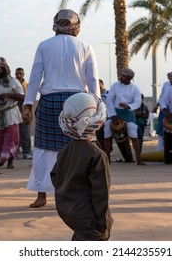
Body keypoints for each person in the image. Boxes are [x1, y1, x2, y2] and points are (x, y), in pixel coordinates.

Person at [22, 9, 100, 208]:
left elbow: (35, 77)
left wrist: (28, 104)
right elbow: (92, 81)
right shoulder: (85, 46)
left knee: (43, 148)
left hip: (49, 101)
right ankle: (72, 195)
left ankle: (42, 195)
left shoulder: (44, 45)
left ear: (55, 24)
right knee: (75, 150)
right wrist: (98, 107)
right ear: (77, 26)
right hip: (79, 104)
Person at [51, 92, 113, 241]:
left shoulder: (64, 151)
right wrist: (103, 225)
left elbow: (55, 177)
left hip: (69, 214)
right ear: (97, 123)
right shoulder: (96, 155)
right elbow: (101, 194)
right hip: (90, 222)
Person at [103, 67, 146, 165]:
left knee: (134, 133)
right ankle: (107, 159)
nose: (121, 77)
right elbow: (109, 100)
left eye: (123, 76)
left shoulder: (135, 88)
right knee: (107, 130)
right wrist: (113, 115)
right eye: (121, 75)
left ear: (129, 78)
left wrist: (128, 106)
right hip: (115, 112)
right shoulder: (115, 85)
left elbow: (138, 102)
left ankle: (138, 159)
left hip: (128, 112)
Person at [0, 57, 24, 169]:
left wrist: (8, 95)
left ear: (5, 69)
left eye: (1, 68)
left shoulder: (13, 82)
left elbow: (21, 97)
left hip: (11, 113)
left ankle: (9, 161)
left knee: (11, 138)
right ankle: (2, 156)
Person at [152, 71, 172, 151]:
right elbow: (162, 96)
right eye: (170, 77)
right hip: (164, 110)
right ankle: (160, 150)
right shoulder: (165, 84)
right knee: (161, 130)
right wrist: (156, 105)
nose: (171, 79)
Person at [15, 67, 32, 159]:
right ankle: (15, 152)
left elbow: (29, 98)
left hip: (25, 111)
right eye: (17, 73)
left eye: (20, 73)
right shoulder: (13, 84)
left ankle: (26, 152)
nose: (18, 75)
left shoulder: (27, 85)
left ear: (23, 74)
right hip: (15, 111)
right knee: (15, 133)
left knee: (25, 133)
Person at [95, 79, 108, 150]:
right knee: (99, 136)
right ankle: (103, 150)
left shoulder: (109, 94)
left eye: (99, 84)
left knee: (107, 137)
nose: (98, 86)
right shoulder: (94, 95)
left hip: (108, 119)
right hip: (98, 120)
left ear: (102, 84)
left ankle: (108, 150)